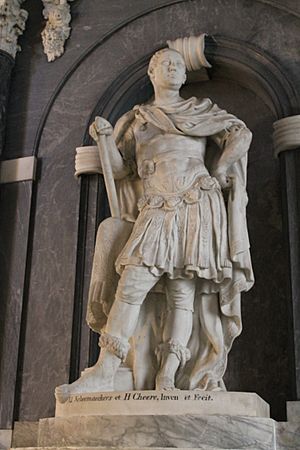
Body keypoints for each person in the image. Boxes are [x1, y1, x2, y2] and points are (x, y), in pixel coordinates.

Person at [56, 48, 254, 401]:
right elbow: (119, 171)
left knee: (182, 293)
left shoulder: (199, 111)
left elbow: (241, 134)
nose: (176, 68)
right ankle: (105, 368)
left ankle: (169, 376)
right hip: (155, 205)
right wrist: (104, 139)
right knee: (132, 281)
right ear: (152, 72)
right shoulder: (137, 122)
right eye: (168, 64)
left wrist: (222, 168)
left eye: (179, 64)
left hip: (197, 200)